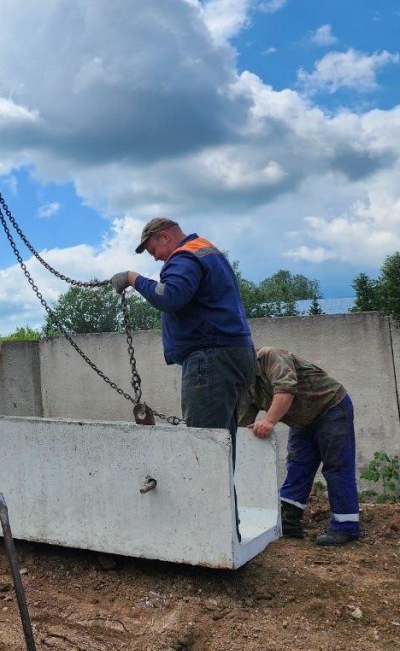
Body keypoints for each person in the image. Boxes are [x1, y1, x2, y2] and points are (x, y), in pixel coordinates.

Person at [109, 218, 256, 440]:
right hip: (234, 354)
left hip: (210, 359)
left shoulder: (185, 256)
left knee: (205, 445)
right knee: (223, 444)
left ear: (165, 237)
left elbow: (170, 296)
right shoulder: (208, 252)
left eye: (154, 250)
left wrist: (133, 278)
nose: (156, 257)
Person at [239, 346, 360, 546]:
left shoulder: (270, 356)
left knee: (336, 466)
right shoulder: (244, 383)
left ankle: (345, 527)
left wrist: (268, 421)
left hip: (330, 406)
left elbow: (286, 389)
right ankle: (288, 520)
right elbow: (240, 427)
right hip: (302, 419)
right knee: (298, 464)